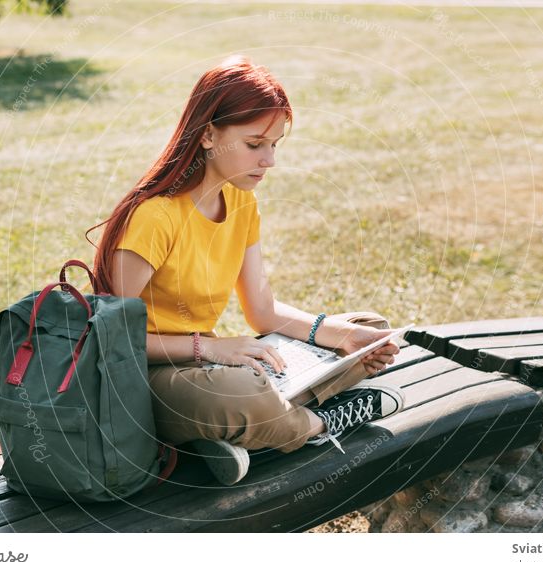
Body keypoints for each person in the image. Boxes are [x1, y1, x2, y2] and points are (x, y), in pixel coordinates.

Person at [86, 55, 405, 486]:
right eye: (255, 144)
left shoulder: (241, 203)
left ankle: (234, 434)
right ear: (207, 136)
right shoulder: (155, 217)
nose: (268, 160)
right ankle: (320, 424)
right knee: (240, 395)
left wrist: (344, 336)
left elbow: (264, 312)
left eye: (275, 144)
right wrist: (210, 350)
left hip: (210, 369)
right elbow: (112, 339)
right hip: (145, 382)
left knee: (369, 328)